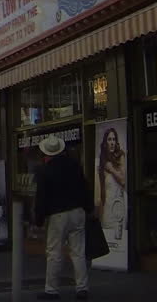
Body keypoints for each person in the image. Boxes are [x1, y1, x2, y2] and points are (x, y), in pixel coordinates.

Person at [34, 136, 93, 300]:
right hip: (77, 211)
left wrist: (38, 219)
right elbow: (84, 187)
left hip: (58, 214)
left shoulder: (45, 171)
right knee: (78, 252)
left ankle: (51, 289)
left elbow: (42, 198)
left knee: (54, 252)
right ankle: (82, 287)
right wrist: (88, 208)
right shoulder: (74, 165)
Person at [98, 128, 126, 240]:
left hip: (119, 206)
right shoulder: (102, 161)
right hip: (107, 207)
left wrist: (112, 169)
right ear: (105, 143)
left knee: (119, 239)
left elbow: (123, 181)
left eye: (114, 139)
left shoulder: (120, 156)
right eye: (109, 139)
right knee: (108, 239)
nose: (112, 142)